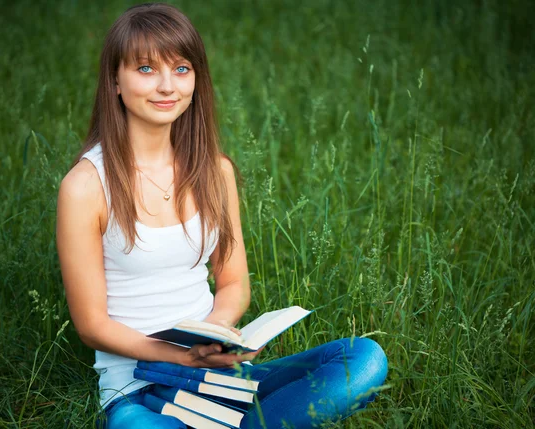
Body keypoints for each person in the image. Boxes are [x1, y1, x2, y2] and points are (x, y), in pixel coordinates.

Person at [56, 3, 388, 428]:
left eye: (180, 69)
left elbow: (232, 283)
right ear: (114, 81)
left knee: (362, 359)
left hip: (217, 376)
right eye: (145, 69)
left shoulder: (215, 171)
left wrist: (213, 338)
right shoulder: (85, 187)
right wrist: (180, 356)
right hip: (138, 387)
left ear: (196, 79)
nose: (165, 86)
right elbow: (92, 325)